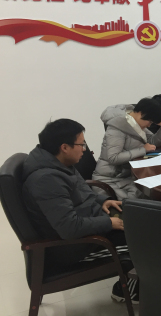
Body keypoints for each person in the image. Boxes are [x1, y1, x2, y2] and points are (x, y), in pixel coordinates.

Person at [21, 119, 138, 303]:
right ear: (64, 147)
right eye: (81, 144)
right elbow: (69, 228)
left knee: (142, 218)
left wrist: (103, 201)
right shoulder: (46, 179)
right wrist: (109, 222)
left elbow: (83, 192)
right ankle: (126, 291)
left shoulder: (59, 163)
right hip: (75, 248)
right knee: (142, 242)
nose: (84, 149)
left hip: (91, 224)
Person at [93, 98, 161, 200]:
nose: (149, 125)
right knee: (145, 198)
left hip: (125, 175)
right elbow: (113, 157)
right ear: (141, 113)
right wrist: (143, 150)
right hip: (109, 178)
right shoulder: (118, 127)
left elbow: (152, 142)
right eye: (150, 121)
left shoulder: (135, 124)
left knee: (152, 192)